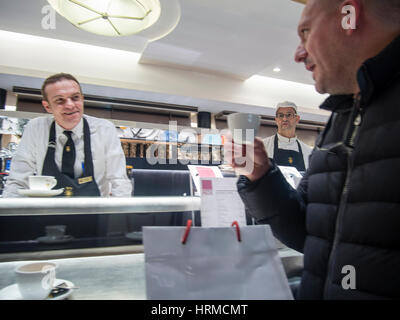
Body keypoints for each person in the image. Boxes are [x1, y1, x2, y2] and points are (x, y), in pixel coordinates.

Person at [226, 0, 400, 299]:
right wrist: (261, 177)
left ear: (350, 15)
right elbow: (310, 235)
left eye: (305, 32)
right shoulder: (341, 119)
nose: (298, 54)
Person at [3, 73, 132, 197]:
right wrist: (10, 216)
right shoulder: (36, 128)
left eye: (75, 97)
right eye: (60, 100)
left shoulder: (104, 129)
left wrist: (118, 217)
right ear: (47, 106)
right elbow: (18, 181)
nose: (70, 105)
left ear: (82, 99)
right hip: (46, 214)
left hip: (95, 214)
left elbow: (119, 181)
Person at [263, 101, 312, 171]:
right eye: (281, 115)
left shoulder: (308, 151)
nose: (284, 119)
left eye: (289, 115)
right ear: (276, 120)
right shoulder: (263, 146)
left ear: (297, 119)